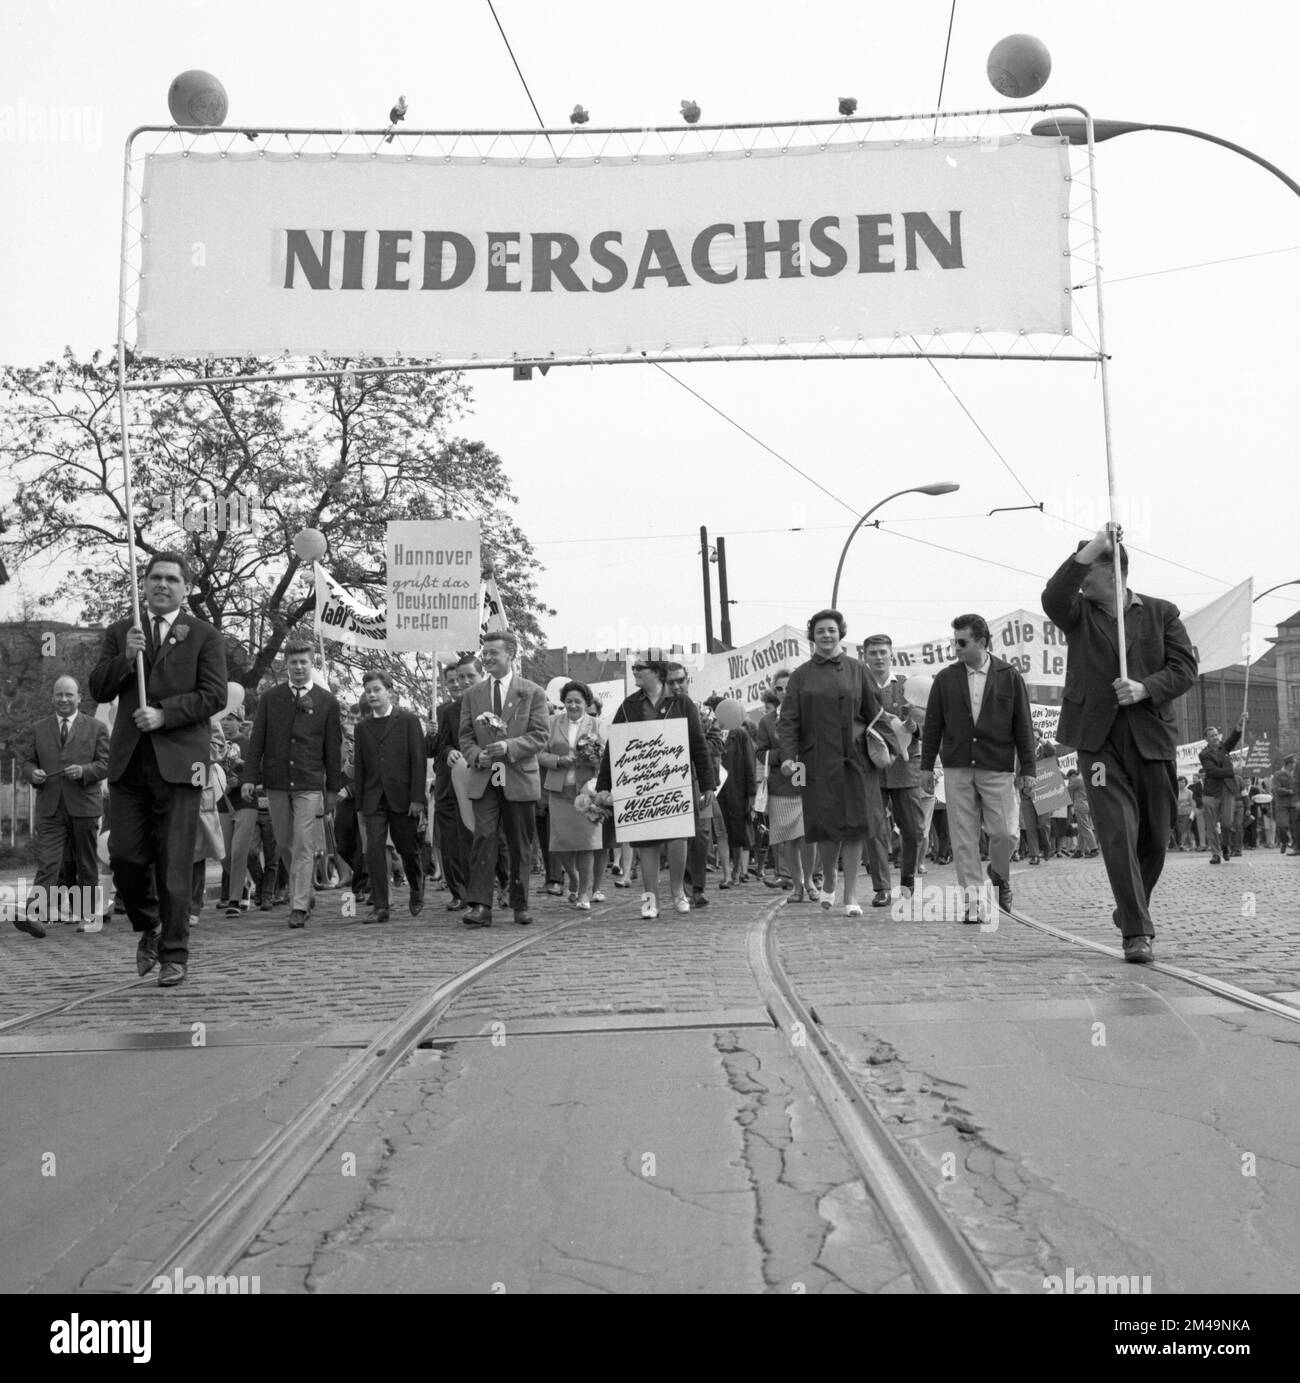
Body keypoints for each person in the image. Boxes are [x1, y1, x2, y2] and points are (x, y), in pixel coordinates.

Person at [1042, 530, 1198, 963]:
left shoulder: (1161, 613)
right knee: (1116, 831)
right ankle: (1137, 932)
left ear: (1112, 573)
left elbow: (1185, 669)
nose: (1081, 580)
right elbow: (1053, 595)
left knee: (1155, 839)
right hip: (1098, 741)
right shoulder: (1076, 613)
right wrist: (1091, 546)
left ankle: (1131, 905)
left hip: (1152, 738)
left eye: (1089, 568)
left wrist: (1146, 688)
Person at [88, 552, 228, 987]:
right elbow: (99, 686)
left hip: (181, 763)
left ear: (185, 588)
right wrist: (126, 659)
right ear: (143, 584)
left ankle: (174, 954)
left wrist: (165, 715)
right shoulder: (120, 632)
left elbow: (214, 695)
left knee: (173, 863)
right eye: (154, 578)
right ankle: (149, 924)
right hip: (130, 764)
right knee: (125, 855)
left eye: (171, 579)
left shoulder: (205, 636)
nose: (161, 584)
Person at [920, 614, 1034, 922]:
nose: (955, 648)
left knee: (1007, 834)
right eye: (954, 641)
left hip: (997, 767)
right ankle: (973, 903)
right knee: (963, 839)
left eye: (962, 642)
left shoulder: (1009, 676)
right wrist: (926, 766)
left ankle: (999, 874)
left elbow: (1024, 726)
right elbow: (932, 726)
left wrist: (1029, 770)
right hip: (957, 767)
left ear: (981, 642)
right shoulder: (945, 678)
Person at [777, 610, 884, 917]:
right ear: (812, 635)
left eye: (832, 630)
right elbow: (789, 720)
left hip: (854, 759)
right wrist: (788, 756)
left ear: (841, 633)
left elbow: (875, 712)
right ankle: (829, 878)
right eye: (821, 631)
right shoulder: (801, 676)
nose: (826, 635)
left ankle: (850, 894)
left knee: (854, 825)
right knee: (825, 826)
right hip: (816, 760)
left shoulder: (857, 669)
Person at [598, 657, 715, 918]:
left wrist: (708, 785)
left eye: (641, 669)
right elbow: (613, 747)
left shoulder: (681, 702)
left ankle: (678, 893)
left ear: (657, 673)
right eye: (634, 669)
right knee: (646, 842)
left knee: (677, 837)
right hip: (641, 784)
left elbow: (698, 744)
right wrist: (604, 785)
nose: (635, 672)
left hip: (678, 781)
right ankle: (650, 899)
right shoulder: (629, 705)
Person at [242, 641, 341, 928]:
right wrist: (250, 777)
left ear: (312, 665)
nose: (298, 667)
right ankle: (304, 890)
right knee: (284, 843)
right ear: (286, 665)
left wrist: (332, 790)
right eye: (293, 663)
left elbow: (332, 751)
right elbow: (257, 741)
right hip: (276, 781)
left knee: (303, 843)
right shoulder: (271, 698)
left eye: (304, 662)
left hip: (309, 783)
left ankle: (298, 906)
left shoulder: (327, 701)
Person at [458, 632, 549, 928]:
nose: (487, 658)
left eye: (493, 653)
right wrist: (475, 756)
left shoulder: (532, 692)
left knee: (519, 842)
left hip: (519, 777)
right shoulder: (473, 695)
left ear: (510, 654)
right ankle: (480, 906)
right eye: (484, 653)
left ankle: (520, 904)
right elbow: (465, 736)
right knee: (483, 837)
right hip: (484, 778)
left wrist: (509, 747)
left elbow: (540, 736)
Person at [18, 676, 111, 937]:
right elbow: (27, 761)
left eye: (69, 694)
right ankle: (33, 914)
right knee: (48, 861)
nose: (64, 699)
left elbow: (106, 764)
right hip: (50, 806)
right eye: (59, 694)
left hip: (84, 805)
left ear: (79, 697)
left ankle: (89, 916)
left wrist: (84, 770)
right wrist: (32, 773)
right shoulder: (39, 729)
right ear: (52, 698)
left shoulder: (96, 728)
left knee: (86, 863)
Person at [353, 670, 427, 924]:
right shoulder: (362, 728)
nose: (372, 695)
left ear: (389, 692)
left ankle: (417, 885)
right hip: (374, 798)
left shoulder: (408, 720)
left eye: (377, 690)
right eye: (368, 691)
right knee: (374, 850)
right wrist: (360, 804)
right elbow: (360, 767)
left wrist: (418, 798)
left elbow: (418, 761)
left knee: (407, 848)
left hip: (403, 797)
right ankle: (381, 906)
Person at [861, 635, 924, 903]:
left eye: (882, 652)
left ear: (891, 655)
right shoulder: (858, 687)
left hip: (905, 766)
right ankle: (882, 889)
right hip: (871, 765)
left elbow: (926, 721)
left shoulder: (908, 686)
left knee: (913, 829)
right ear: (864, 656)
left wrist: (915, 728)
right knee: (875, 829)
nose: (878, 657)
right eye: (872, 652)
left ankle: (907, 881)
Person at [538, 680, 604, 909]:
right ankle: (573, 878)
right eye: (569, 701)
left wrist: (594, 759)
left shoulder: (597, 725)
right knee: (561, 844)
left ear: (587, 702)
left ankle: (584, 893)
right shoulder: (552, 722)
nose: (573, 705)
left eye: (578, 701)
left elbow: (606, 758)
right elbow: (539, 753)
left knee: (586, 844)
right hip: (558, 792)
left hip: (586, 793)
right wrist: (558, 761)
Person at [668, 664, 723, 909]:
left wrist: (691, 747)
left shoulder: (704, 711)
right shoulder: (663, 712)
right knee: (681, 834)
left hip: (701, 779)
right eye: (671, 682)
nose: (677, 686)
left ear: (687, 680)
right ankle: (682, 887)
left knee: (701, 834)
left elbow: (716, 743)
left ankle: (697, 888)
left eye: (680, 680)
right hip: (672, 781)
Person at [427, 656, 480, 911]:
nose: (457, 684)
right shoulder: (441, 712)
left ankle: (488, 885)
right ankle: (458, 891)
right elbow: (432, 750)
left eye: (461, 679)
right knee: (451, 842)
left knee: (475, 838)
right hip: (448, 784)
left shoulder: (483, 706)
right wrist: (433, 736)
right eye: (451, 681)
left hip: (477, 783)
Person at [191, 719, 229, 927]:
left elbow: (217, 748)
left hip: (196, 786)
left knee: (196, 850)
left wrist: (189, 750)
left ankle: (192, 906)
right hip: (163, 788)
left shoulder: (206, 708)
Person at [1199, 717, 1248, 864]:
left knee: (1227, 823)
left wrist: (1239, 726)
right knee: (1211, 825)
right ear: (1206, 739)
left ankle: (1225, 845)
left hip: (1227, 790)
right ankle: (1215, 854)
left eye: (1216, 735)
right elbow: (1213, 771)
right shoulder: (1204, 754)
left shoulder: (1223, 747)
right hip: (1211, 793)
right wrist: (1233, 771)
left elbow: (1233, 739)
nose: (1215, 737)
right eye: (1212, 736)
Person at [717, 717, 756, 886]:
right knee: (721, 832)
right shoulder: (712, 734)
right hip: (717, 790)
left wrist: (751, 793)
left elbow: (749, 763)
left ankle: (737, 871)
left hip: (737, 789)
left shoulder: (740, 734)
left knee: (737, 831)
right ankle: (727, 874)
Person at [1066, 768, 1098, 856]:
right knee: (1081, 829)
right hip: (1085, 805)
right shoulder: (1084, 778)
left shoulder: (1078, 779)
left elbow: (1068, 789)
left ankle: (1094, 849)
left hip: (1080, 806)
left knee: (1085, 828)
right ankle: (1079, 850)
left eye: (1069, 779)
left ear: (1072, 776)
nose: (1070, 781)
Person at [1272, 756, 1297, 854]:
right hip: (1282, 803)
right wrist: (1288, 791)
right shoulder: (1278, 774)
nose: (1295, 765)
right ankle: (1284, 841)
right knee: (1282, 825)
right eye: (1294, 763)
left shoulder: (1295, 774)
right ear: (1289, 764)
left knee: (1295, 826)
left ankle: (1296, 845)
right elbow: (1276, 789)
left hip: (1294, 803)